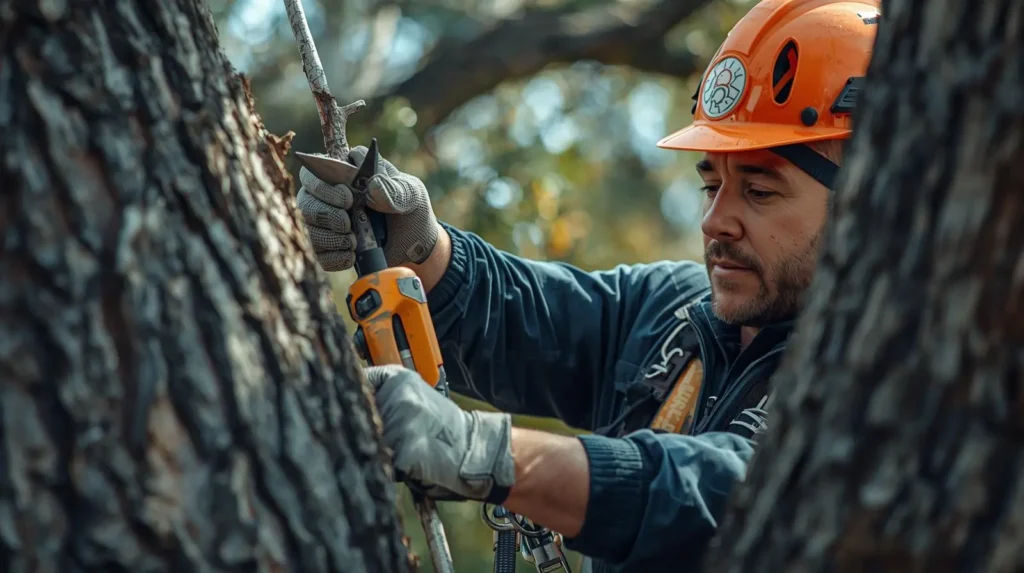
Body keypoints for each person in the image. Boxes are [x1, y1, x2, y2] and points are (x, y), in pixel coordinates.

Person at [296, 0, 879, 570]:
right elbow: (531, 319)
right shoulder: (676, 314)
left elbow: (731, 492)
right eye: (711, 185)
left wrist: (488, 454)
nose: (714, 221)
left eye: (760, 191)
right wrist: (421, 250)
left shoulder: (893, 381)